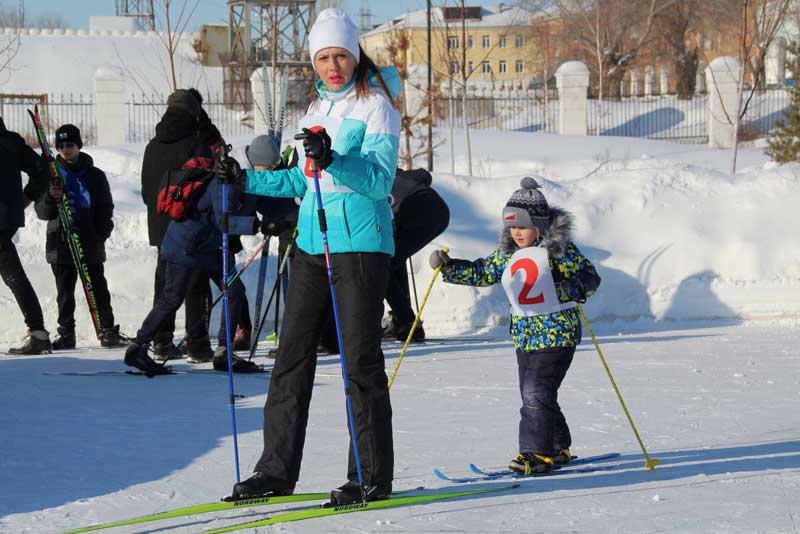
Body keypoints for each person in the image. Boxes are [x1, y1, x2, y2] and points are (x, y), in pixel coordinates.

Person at [228, 9, 402, 505]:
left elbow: (379, 181)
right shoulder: (313, 112)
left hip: (360, 246)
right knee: (290, 359)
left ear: (355, 56)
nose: (333, 65)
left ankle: (370, 476)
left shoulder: (377, 108)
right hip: (311, 243)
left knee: (359, 363)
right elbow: (299, 180)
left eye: (341, 55)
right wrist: (245, 179)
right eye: (324, 57)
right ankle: (275, 471)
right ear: (314, 61)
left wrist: (335, 158)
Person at [430, 176, 601, 474]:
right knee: (535, 393)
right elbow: (483, 273)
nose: (517, 232)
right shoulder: (507, 255)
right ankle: (557, 446)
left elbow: (590, 276)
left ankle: (536, 453)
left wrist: (576, 286)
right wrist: (450, 267)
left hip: (558, 332)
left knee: (536, 392)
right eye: (512, 226)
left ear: (540, 225)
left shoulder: (559, 251)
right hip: (525, 336)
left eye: (523, 226)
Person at [124, 155, 260, 375]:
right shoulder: (223, 184)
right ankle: (137, 347)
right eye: (264, 166)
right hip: (185, 247)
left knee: (235, 290)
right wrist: (259, 224)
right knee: (172, 297)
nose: (266, 171)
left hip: (208, 247)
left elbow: (261, 207)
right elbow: (225, 222)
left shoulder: (252, 184)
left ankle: (224, 351)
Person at [34, 124, 128, 349]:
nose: (66, 149)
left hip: (89, 240)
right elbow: (42, 212)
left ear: (79, 146)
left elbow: (105, 206)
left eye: (71, 145)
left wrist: (101, 233)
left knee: (98, 287)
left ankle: (107, 329)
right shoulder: (51, 175)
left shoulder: (95, 175)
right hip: (61, 241)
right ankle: (66, 333)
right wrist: (50, 197)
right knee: (65, 293)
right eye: (62, 145)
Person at [141, 89, 214, 362]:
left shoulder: (152, 145)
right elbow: (206, 185)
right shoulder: (195, 143)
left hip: (161, 225)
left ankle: (161, 340)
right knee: (196, 285)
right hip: (189, 225)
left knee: (165, 285)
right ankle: (197, 345)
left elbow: (148, 190)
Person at [0, 116, 52, 354]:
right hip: (5, 220)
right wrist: (26, 198)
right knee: (15, 276)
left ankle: (39, 334)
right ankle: (39, 334)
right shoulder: (12, 142)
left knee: (15, 276)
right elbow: (43, 172)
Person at [382, 168, 450, 342]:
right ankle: (403, 321)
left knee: (381, 266)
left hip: (420, 214)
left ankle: (407, 323)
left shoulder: (373, 178)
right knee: (392, 260)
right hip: (438, 210)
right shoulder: (391, 172)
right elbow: (424, 176)